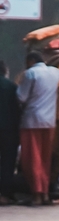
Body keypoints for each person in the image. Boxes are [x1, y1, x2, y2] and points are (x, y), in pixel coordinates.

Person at [16, 50, 59, 205]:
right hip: (50, 121)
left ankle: (37, 193)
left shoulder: (30, 74)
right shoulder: (56, 73)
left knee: (32, 158)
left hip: (31, 121)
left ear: (30, 61)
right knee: (45, 158)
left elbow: (21, 97)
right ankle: (45, 194)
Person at [0, 61, 20, 205]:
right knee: (7, 162)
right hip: (9, 129)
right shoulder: (11, 86)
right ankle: (5, 194)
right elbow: (17, 109)